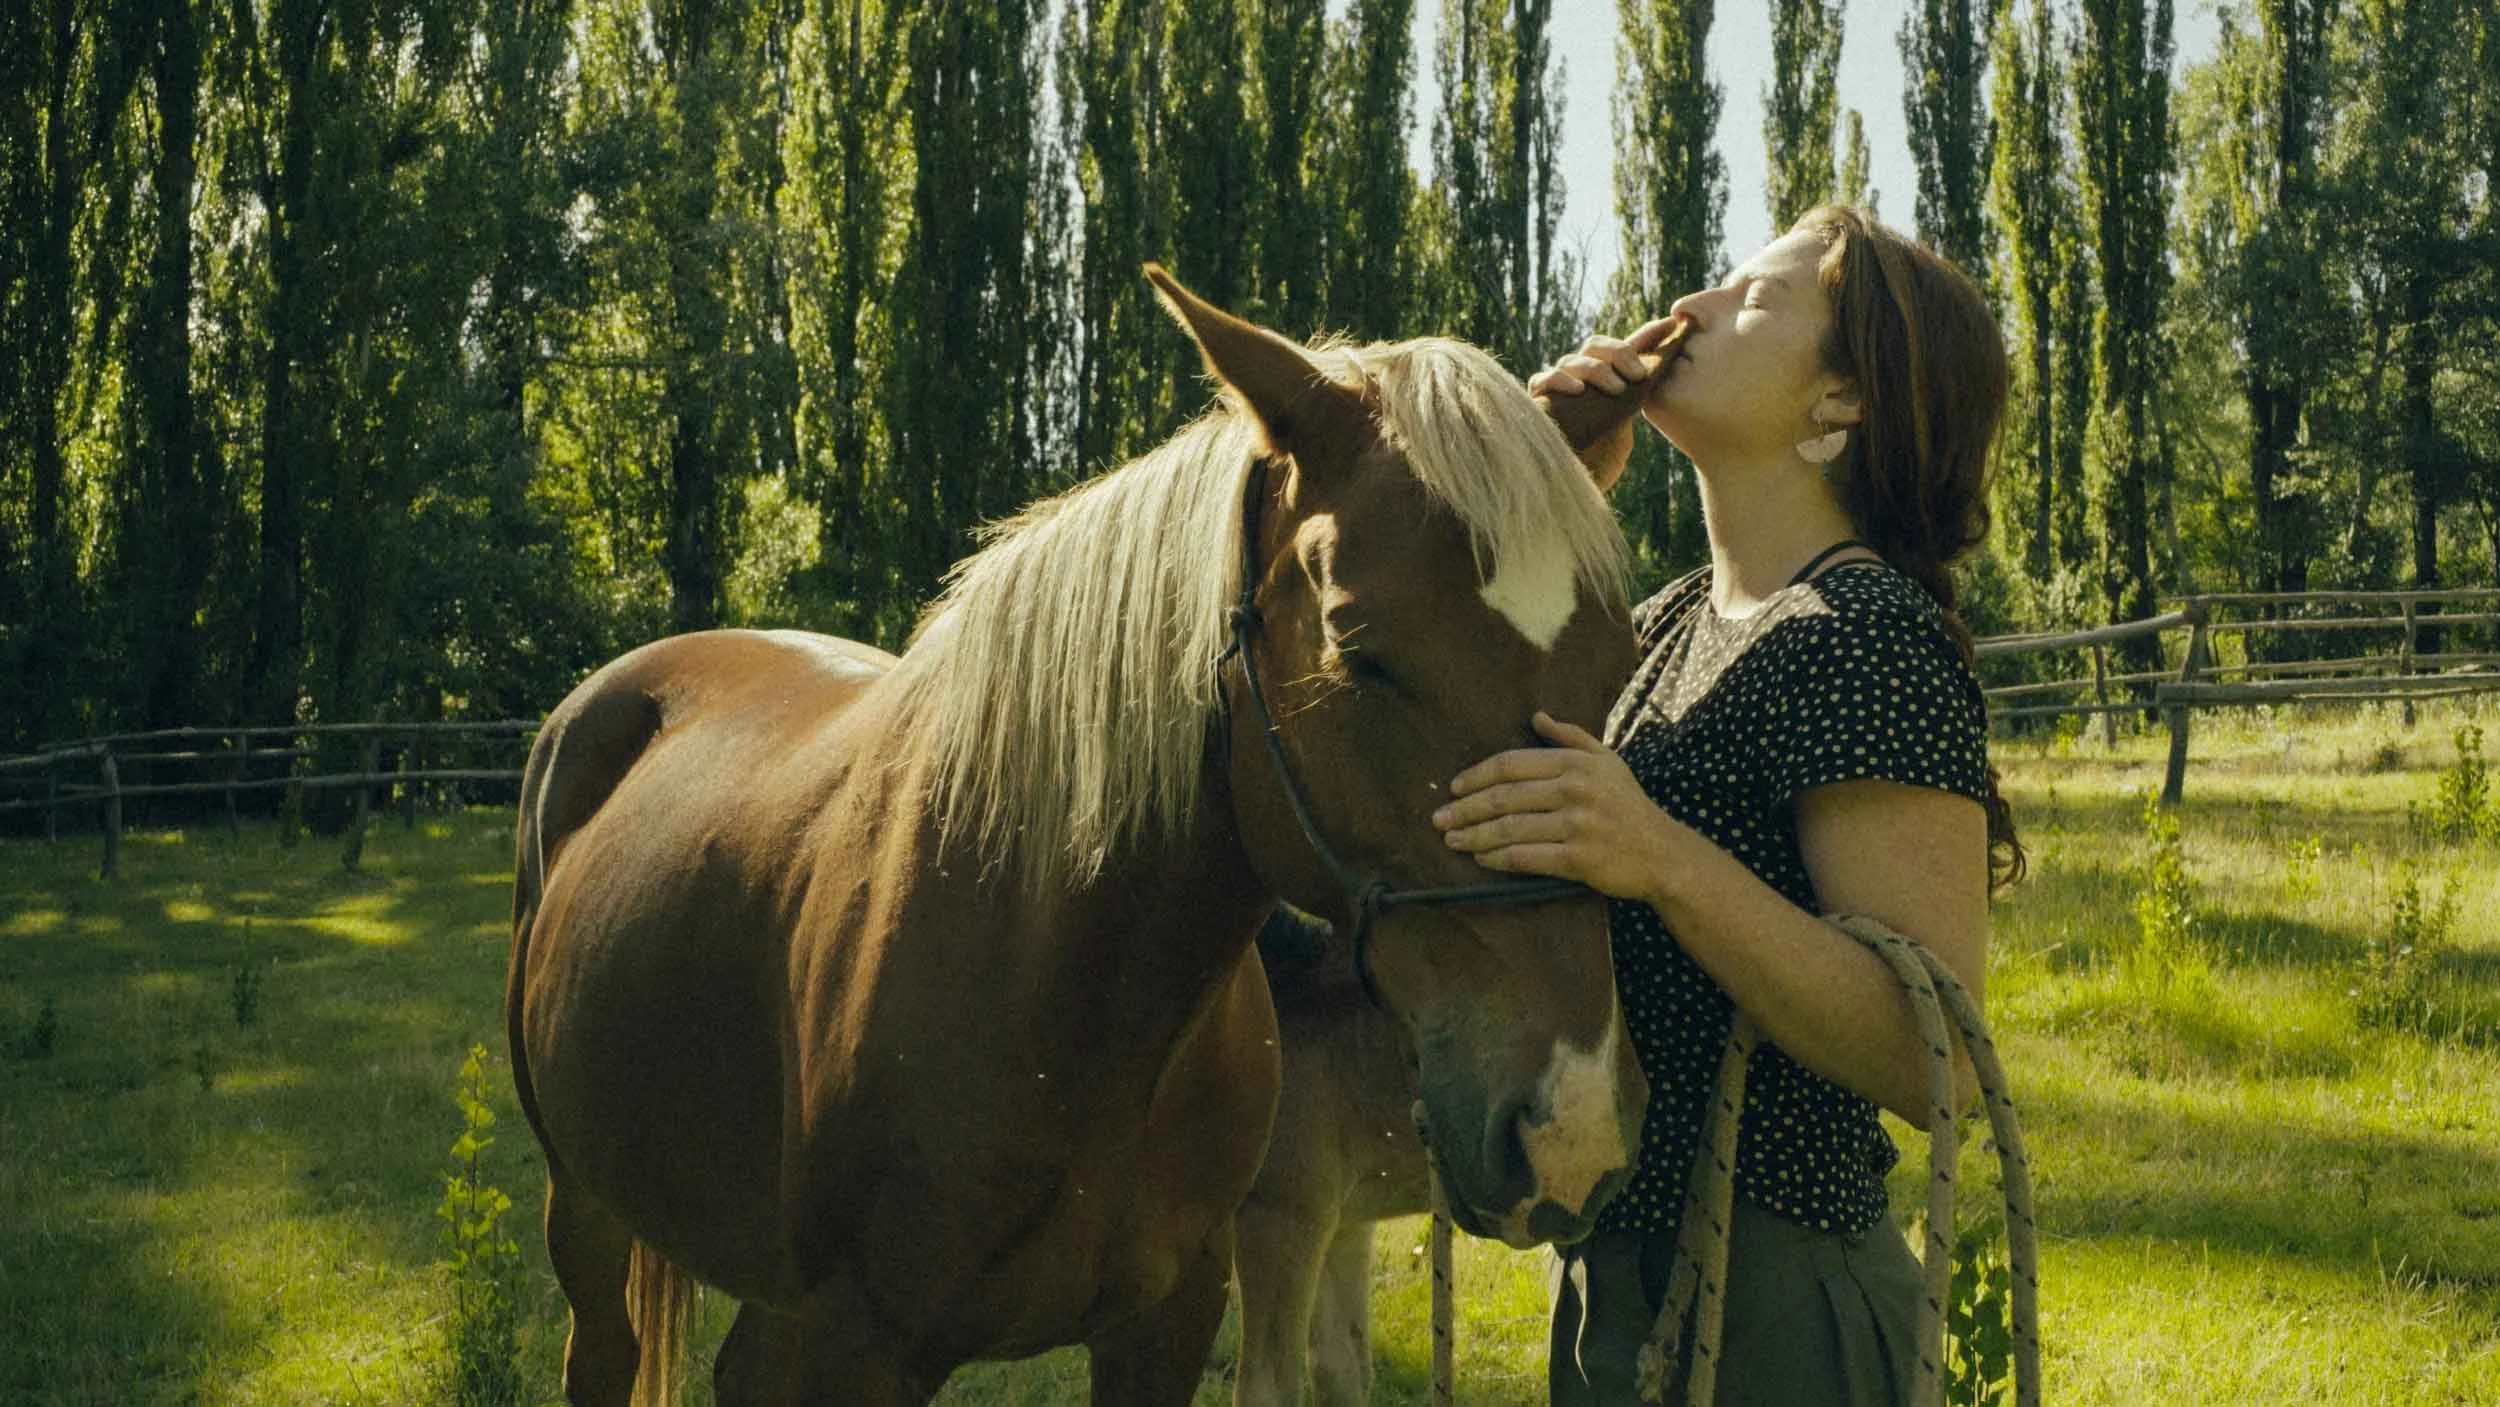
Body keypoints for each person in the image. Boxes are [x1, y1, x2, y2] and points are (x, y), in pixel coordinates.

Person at [1429, 204, 2024, 1406]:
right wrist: (1539, 492)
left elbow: (1936, 1059)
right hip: (1617, 1292)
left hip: (1778, 1310)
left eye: (1755, 297)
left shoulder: (1864, 635)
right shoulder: (1662, 622)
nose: (1689, 307)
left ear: (1839, 402)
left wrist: (1658, 857)